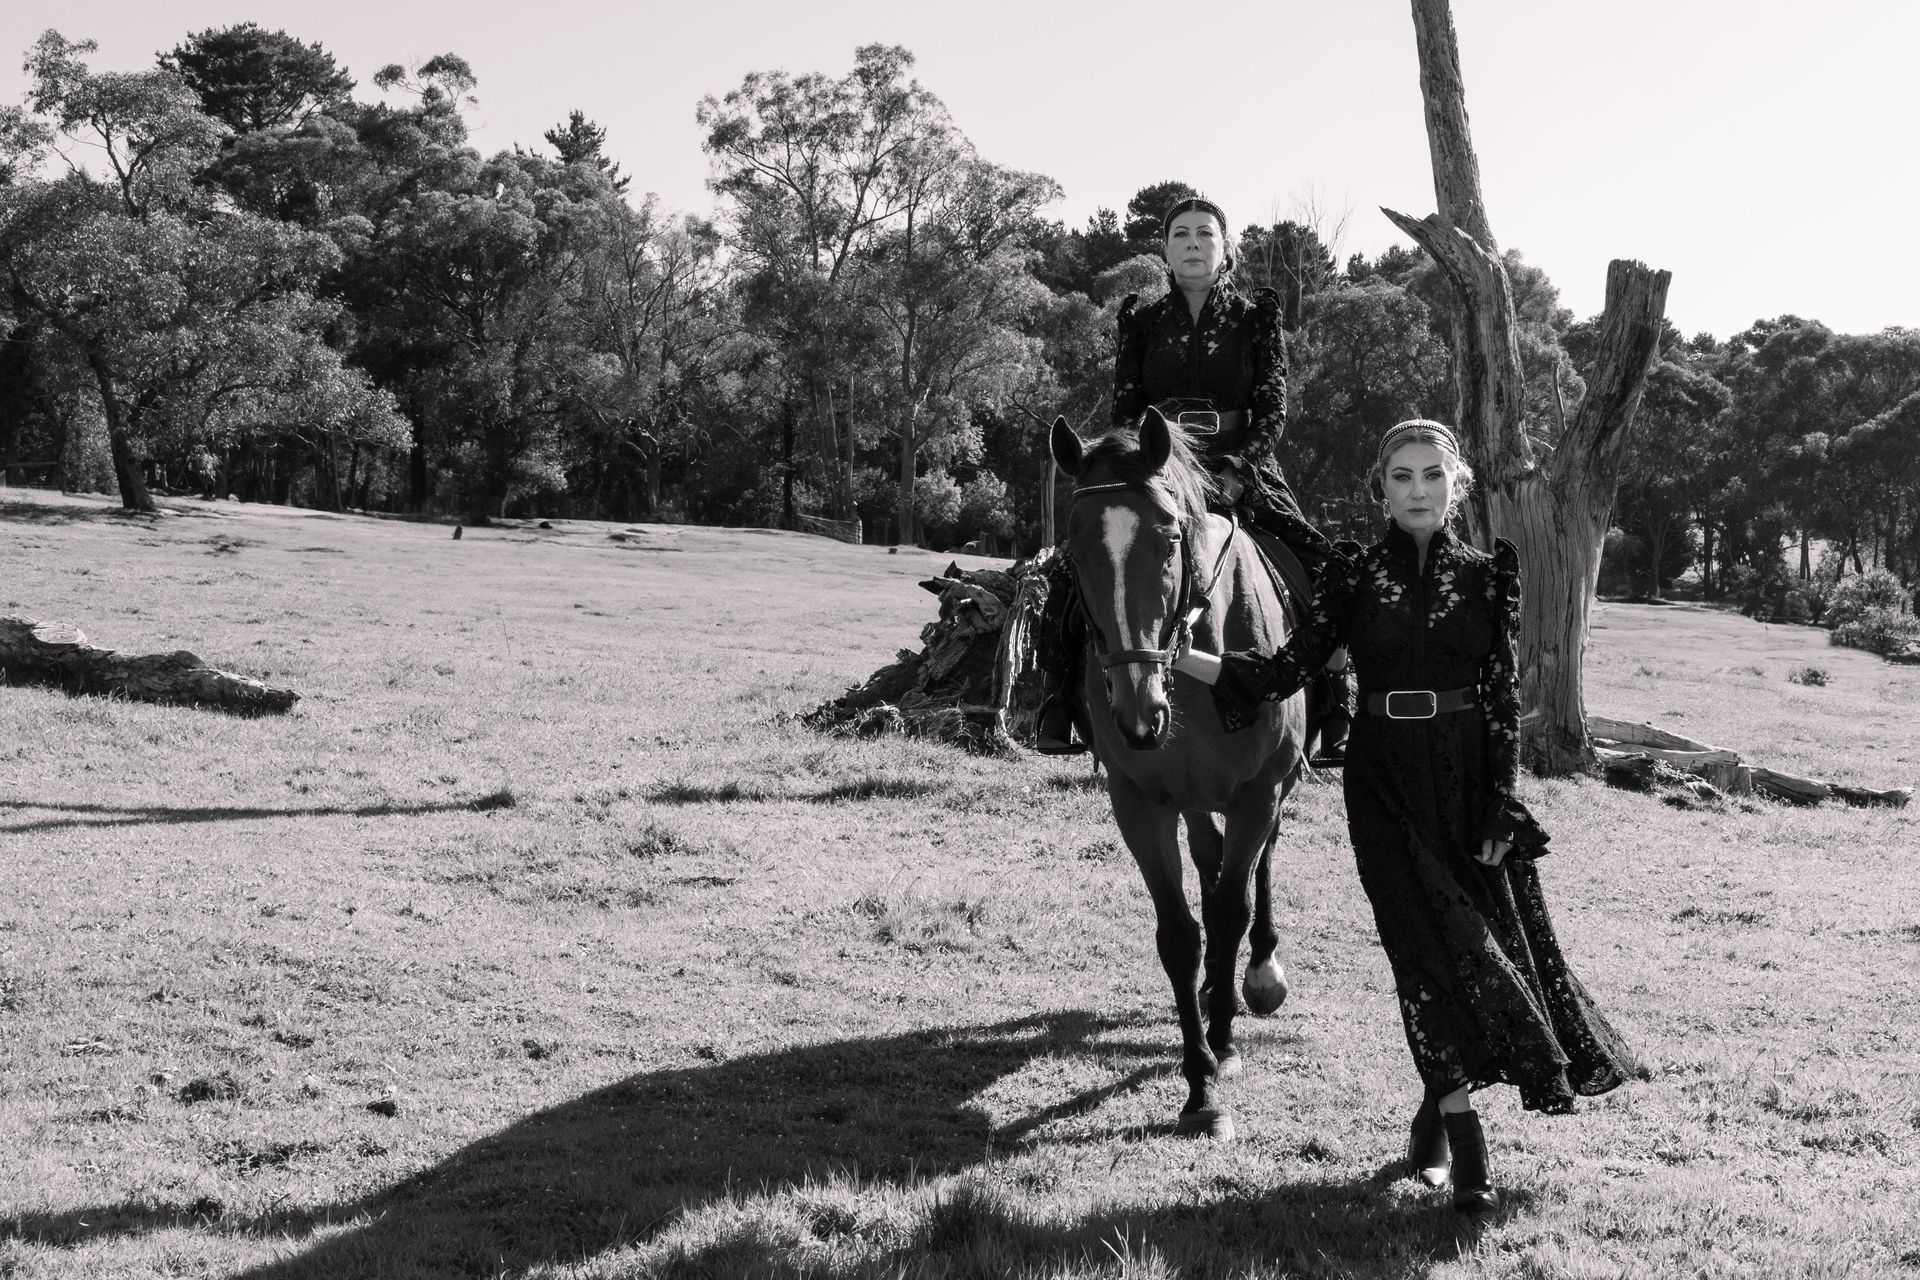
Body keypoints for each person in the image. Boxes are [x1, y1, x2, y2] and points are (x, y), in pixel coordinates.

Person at [1173, 419, 1639, 1212]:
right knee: (1420, 954)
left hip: (1466, 782)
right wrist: (1180, 656)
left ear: (1457, 486)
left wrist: (1502, 801)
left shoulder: (1492, 576)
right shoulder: (1354, 577)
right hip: (1382, 778)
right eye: (1401, 477)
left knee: (1479, 949)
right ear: (1380, 490)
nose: (1417, 490)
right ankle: (1468, 1154)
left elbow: (1501, 701)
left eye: (1431, 476)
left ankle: (1428, 1129)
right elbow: (1286, 670)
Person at [1036, 196, 1350, 758]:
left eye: (1205, 234)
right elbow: (1127, 410)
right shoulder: (1141, 320)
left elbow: (1273, 406)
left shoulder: (1257, 317)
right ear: (1165, 249)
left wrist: (1239, 467)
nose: (1193, 244)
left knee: (1319, 563)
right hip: (1157, 468)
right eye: (1180, 234)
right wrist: (1142, 467)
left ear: (1224, 248)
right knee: (1069, 568)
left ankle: (1332, 702)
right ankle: (1057, 703)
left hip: (1242, 464)